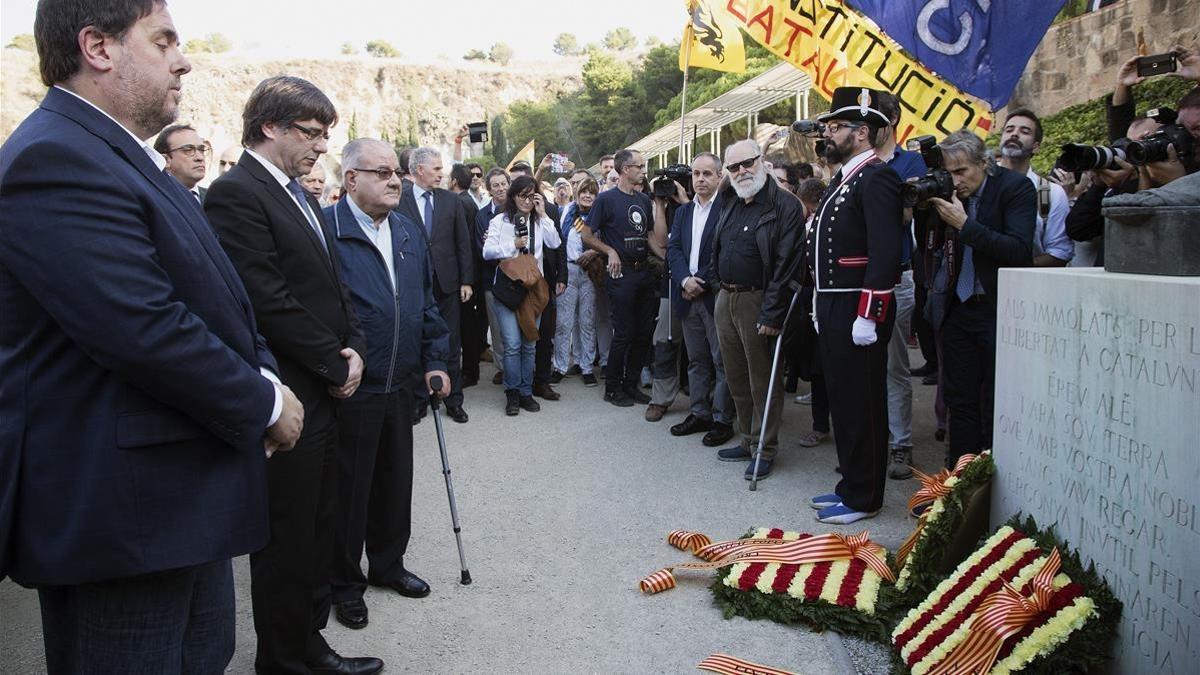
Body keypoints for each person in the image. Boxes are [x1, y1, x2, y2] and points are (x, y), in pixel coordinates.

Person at [0, 3, 302, 672]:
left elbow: (218, 296)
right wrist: (265, 401)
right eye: (163, 41)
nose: (183, 59)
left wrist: (264, 369)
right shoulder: (56, 155)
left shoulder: (119, 155)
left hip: (177, 500)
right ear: (98, 48)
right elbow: (142, 326)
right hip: (124, 519)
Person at [205, 75, 381, 675]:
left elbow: (334, 289)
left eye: (327, 134)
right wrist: (335, 363)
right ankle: (283, 658)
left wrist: (354, 345)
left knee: (319, 525)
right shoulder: (237, 194)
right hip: (293, 393)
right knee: (287, 538)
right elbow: (266, 299)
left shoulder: (299, 193)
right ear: (269, 127)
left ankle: (311, 644)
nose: (322, 147)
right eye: (311, 132)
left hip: (327, 386)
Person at [324, 139, 450, 632]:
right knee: (350, 489)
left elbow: (425, 303)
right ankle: (344, 583)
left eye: (397, 172)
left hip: (402, 383)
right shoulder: (327, 230)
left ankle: (387, 565)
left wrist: (436, 359)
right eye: (382, 173)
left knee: (395, 482)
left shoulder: (405, 230)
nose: (395, 180)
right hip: (354, 386)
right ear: (351, 179)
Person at [804, 87, 903, 524]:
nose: (827, 134)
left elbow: (884, 253)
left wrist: (870, 312)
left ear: (862, 132)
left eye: (835, 127)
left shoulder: (877, 177)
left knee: (862, 402)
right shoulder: (844, 178)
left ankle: (866, 496)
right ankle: (850, 485)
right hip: (833, 304)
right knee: (844, 400)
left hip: (857, 307)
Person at [919, 131, 1035, 469]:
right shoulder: (951, 192)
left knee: (993, 401)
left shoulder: (1015, 188)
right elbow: (927, 246)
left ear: (984, 163)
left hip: (997, 309)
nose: (955, 181)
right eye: (949, 173)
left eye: (962, 172)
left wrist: (965, 224)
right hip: (958, 307)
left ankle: (991, 483)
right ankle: (959, 482)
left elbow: (1018, 249)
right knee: (960, 400)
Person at [704, 139, 803, 480]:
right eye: (733, 167)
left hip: (759, 300)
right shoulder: (730, 198)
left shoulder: (784, 205)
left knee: (763, 379)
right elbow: (717, 245)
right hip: (726, 298)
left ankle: (765, 447)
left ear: (761, 161)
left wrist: (772, 314)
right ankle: (747, 439)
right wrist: (718, 284)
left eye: (747, 163)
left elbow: (786, 265)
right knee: (735, 375)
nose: (741, 171)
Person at [396, 147, 474, 424]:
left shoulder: (451, 201)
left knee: (451, 342)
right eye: (437, 169)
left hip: (447, 283)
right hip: (413, 284)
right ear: (419, 169)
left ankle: (454, 400)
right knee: (416, 340)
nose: (443, 174)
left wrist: (466, 280)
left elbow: (462, 243)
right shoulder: (398, 200)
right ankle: (420, 401)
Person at [873, 92, 928, 480]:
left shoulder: (913, 163)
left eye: (874, 118)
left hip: (898, 277)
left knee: (894, 364)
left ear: (892, 119)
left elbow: (910, 216)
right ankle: (871, 440)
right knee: (864, 364)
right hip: (860, 278)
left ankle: (899, 443)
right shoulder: (859, 164)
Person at [664, 152, 735, 446]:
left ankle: (722, 419)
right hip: (686, 294)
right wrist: (684, 279)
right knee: (696, 360)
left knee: (722, 360)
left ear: (720, 177)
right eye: (696, 173)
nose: (701, 179)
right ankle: (699, 412)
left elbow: (725, 252)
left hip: (712, 296)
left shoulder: (728, 208)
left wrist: (700, 282)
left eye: (707, 173)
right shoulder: (683, 213)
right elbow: (674, 250)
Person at [583, 148, 657, 407]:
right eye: (639, 166)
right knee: (624, 332)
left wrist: (669, 257)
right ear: (625, 169)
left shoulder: (644, 200)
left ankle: (631, 384)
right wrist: (610, 250)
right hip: (620, 273)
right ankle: (612, 388)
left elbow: (648, 237)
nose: (643, 170)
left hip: (643, 272)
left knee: (644, 332)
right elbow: (587, 235)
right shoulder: (605, 199)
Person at [483, 175, 562, 414]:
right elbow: (487, 252)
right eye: (522, 195)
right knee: (513, 344)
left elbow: (555, 243)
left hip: (533, 289)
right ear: (513, 196)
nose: (527, 201)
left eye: (531, 196)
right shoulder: (500, 221)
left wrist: (544, 213)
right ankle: (512, 393)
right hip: (508, 288)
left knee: (529, 344)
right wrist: (512, 246)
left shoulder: (539, 221)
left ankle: (526, 392)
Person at [996, 108, 1073, 267]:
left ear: (1036, 146)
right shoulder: (980, 181)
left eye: (1025, 131)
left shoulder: (1050, 194)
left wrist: (1013, 270)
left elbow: (1059, 252)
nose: (1014, 134)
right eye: (1009, 130)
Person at [552, 177, 601, 387]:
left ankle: (586, 366)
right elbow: (559, 244)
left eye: (592, 192)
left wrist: (594, 250)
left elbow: (606, 241)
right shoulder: (566, 213)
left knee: (587, 321)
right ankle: (560, 365)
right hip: (569, 270)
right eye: (584, 192)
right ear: (577, 193)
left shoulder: (600, 216)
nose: (587, 196)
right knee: (563, 323)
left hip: (590, 271)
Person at [477, 168, 510, 386]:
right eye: (495, 185)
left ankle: (522, 366)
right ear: (489, 190)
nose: (500, 188)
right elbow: (482, 247)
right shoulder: (482, 216)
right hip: (492, 279)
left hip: (519, 278)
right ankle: (502, 367)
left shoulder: (519, 209)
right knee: (497, 328)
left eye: (503, 184)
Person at [154, 122, 209, 203]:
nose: (200, 157)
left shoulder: (215, 198)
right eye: (188, 150)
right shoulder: (154, 198)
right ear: (165, 160)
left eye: (201, 150)